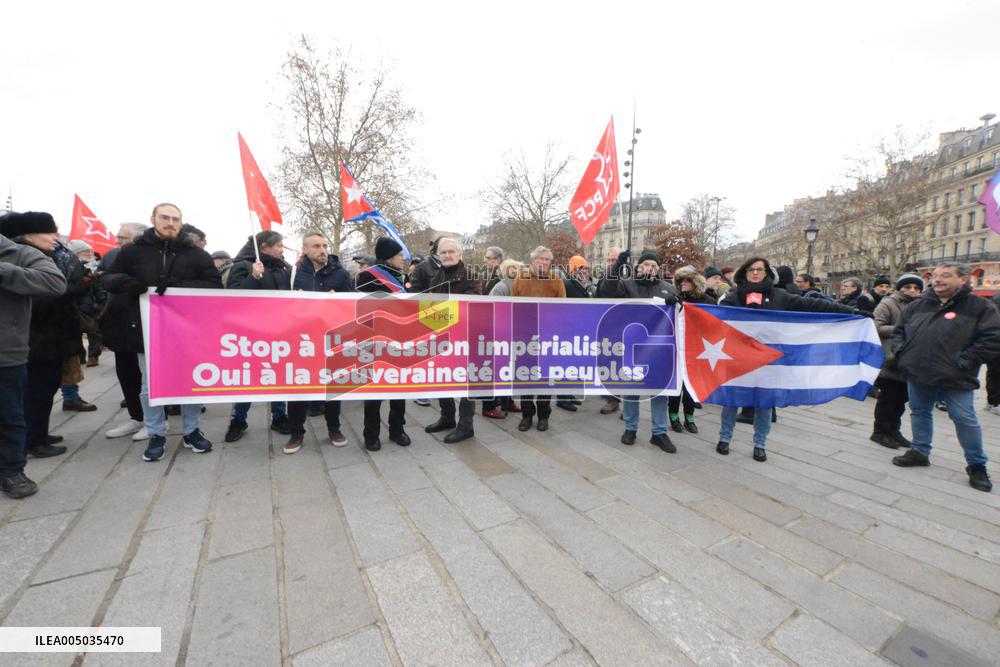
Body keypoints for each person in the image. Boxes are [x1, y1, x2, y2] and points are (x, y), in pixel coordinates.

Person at [103, 203, 222, 462]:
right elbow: (108, 278)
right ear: (153, 219)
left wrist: (179, 285)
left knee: (190, 383)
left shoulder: (197, 254)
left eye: (175, 219)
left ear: (181, 222)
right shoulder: (132, 252)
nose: (170, 223)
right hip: (147, 330)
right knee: (150, 386)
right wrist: (127, 283)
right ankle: (156, 433)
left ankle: (191, 431)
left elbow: (213, 286)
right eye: (165, 217)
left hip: (187, 332)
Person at [718, 257, 860, 462]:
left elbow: (812, 305)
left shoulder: (780, 296)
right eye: (751, 270)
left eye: (760, 269)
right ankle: (724, 438)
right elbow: (715, 316)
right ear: (744, 273)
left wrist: (850, 311)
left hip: (769, 361)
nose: (755, 273)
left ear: (767, 273)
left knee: (764, 404)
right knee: (731, 401)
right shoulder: (733, 296)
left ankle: (760, 444)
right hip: (738, 359)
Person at [889, 262, 998, 492]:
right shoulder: (917, 305)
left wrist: (966, 361)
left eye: (945, 275)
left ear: (963, 279)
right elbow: (899, 332)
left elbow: (992, 339)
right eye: (935, 276)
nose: (937, 279)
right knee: (919, 412)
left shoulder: (981, 307)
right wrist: (903, 354)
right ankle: (920, 451)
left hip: (956, 376)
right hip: (918, 371)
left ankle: (977, 465)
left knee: (964, 418)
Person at [6, 225, 91, 460]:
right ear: (29, 235)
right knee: (37, 391)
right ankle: (33, 441)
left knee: (46, 388)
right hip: (37, 339)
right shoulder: (24, 259)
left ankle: (38, 434)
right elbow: (41, 298)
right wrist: (75, 288)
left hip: (52, 337)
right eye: (48, 232)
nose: (55, 238)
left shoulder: (45, 256)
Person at [0, 218, 67, 498]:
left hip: (7, 353)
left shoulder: (18, 253)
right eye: (48, 232)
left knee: (10, 415)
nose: (54, 237)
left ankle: (12, 471)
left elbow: (55, 283)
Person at [285, 231, 353, 454]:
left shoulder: (341, 274)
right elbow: (279, 306)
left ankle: (334, 429)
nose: (322, 250)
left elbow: (351, 307)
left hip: (330, 340)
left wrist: (337, 302)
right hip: (301, 342)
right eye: (316, 246)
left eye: (324, 245)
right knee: (298, 388)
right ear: (304, 250)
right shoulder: (293, 274)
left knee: (332, 387)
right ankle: (296, 432)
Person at [223, 231, 292, 443]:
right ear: (264, 248)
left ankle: (279, 416)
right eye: (278, 245)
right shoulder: (243, 267)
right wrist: (253, 277)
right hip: (252, 335)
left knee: (277, 376)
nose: (282, 249)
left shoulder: (284, 268)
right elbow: (233, 300)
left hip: (279, 333)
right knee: (249, 378)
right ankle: (238, 420)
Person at [613, 250, 678, 452]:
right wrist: (617, 266)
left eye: (654, 265)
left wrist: (677, 305)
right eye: (646, 264)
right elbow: (607, 295)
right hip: (632, 346)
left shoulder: (668, 288)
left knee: (659, 390)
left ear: (658, 269)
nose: (650, 268)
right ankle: (630, 428)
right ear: (638, 267)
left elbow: (679, 317)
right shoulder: (626, 284)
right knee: (631, 389)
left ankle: (659, 432)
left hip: (658, 348)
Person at [356, 236, 413, 451]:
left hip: (398, 338)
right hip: (373, 339)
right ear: (389, 257)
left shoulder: (399, 275)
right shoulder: (366, 276)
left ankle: (397, 429)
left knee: (398, 388)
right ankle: (371, 434)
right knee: (374, 391)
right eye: (399, 255)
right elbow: (362, 307)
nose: (402, 258)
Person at [422, 238, 482, 443]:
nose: (447, 255)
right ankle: (447, 417)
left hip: (465, 337)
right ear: (438, 255)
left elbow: (471, 306)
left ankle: (466, 426)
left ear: (460, 254)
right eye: (443, 252)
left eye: (451, 251)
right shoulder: (437, 276)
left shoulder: (471, 276)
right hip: (443, 335)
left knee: (467, 382)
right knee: (443, 377)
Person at [100, 222, 150, 439]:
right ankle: (136, 417)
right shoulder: (114, 256)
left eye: (123, 237)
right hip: (119, 326)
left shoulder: (148, 259)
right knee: (127, 375)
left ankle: (155, 420)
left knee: (146, 378)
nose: (117, 240)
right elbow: (105, 281)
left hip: (142, 326)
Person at [510, 246, 566, 432]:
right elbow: (512, 306)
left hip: (547, 337)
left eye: (547, 260)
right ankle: (526, 415)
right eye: (540, 259)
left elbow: (563, 309)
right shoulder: (520, 279)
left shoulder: (556, 281)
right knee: (525, 376)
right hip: (524, 337)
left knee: (545, 378)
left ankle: (543, 415)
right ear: (532, 260)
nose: (543, 262)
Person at [870, 274, 924, 449]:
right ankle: (880, 432)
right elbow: (876, 327)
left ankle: (894, 431)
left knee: (901, 401)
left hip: (912, 361)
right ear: (900, 288)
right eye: (908, 287)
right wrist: (904, 329)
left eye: (916, 288)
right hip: (891, 359)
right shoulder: (888, 303)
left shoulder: (923, 305)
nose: (912, 290)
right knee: (887, 400)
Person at [669, 268, 716, 434]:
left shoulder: (708, 301)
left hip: (698, 349)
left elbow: (713, 324)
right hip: (677, 348)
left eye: (687, 280)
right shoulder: (676, 299)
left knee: (691, 386)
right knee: (677, 385)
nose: (683, 283)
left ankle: (689, 417)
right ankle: (673, 416)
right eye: (681, 280)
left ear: (696, 283)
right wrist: (670, 305)